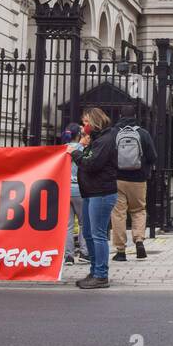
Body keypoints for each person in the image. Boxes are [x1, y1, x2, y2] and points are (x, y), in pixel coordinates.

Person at [76, 107, 118, 288]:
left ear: (94, 122)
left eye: (86, 122)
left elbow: (92, 164)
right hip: (91, 192)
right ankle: (94, 270)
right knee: (87, 233)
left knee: (98, 234)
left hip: (101, 193)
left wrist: (76, 154)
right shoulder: (97, 139)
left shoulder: (105, 140)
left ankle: (101, 274)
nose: (83, 126)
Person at [111, 114, 157, 262]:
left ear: (120, 116)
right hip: (138, 180)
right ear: (136, 117)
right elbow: (152, 156)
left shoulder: (114, 133)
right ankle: (139, 241)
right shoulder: (143, 133)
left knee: (119, 214)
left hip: (118, 179)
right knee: (138, 210)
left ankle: (120, 251)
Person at [62, 123, 86, 265]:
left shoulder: (63, 149)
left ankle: (68, 256)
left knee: (68, 225)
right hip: (80, 189)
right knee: (84, 223)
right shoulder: (82, 148)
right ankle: (84, 252)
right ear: (78, 135)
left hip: (65, 189)